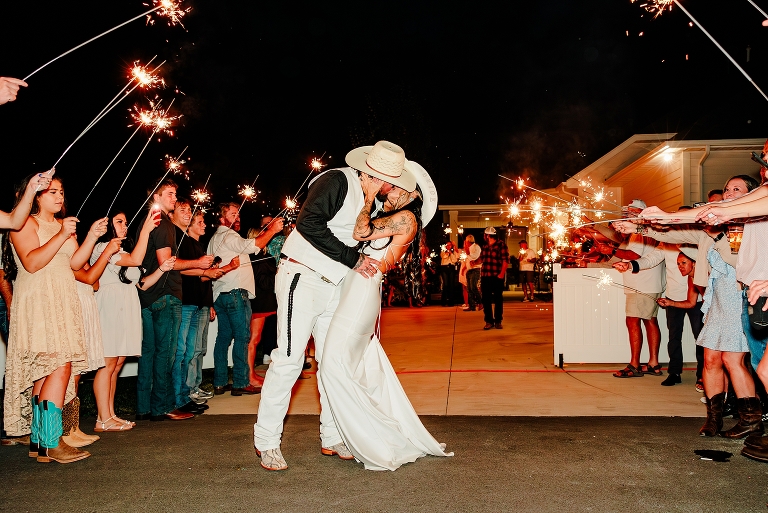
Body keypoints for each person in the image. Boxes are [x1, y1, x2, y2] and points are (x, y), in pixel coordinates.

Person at [253, 140, 404, 471]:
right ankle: (267, 441)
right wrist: (353, 259)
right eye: (392, 183)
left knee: (332, 362)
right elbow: (308, 223)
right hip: (302, 276)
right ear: (377, 175)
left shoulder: (374, 202)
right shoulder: (337, 180)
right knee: (289, 360)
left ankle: (332, 436)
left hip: (335, 285)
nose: (393, 189)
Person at [318, 159, 451, 471]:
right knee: (351, 366)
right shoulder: (395, 216)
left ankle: (366, 436)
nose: (386, 189)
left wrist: (367, 196)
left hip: (362, 291)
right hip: (357, 287)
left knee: (333, 365)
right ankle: (348, 433)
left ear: (410, 193)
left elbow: (360, 231)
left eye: (393, 186)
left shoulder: (406, 218)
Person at [617, 175, 761, 438]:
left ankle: (750, 419)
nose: (729, 193)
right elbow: (676, 233)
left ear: (751, 196)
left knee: (732, 359)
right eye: (727, 189)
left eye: (736, 189)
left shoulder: (755, 226)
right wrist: (639, 227)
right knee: (710, 359)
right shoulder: (712, 227)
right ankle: (714, 418)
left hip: (738, 296)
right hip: (715, 298)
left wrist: (717, 234)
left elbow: (739, 262)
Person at [4, 175, 107, 463]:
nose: (59, 196)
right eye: (52, 192)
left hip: (62, 299)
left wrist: (91, 237)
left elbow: (74, 264)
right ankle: (52, 440)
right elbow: (31, 262)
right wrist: (61, 235)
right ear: (36, 195)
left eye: (61, 191)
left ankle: (40, 441)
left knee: (47, 371)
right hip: (39, 300)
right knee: (60, 366)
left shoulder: (63, 227)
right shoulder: (25, 223)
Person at [135, 178, 213, 422]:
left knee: (150, 353)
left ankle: (144, 407)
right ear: (156, 197)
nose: (174, 198)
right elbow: (166, 262)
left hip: (148, 294)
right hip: (165, 294)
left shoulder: (148, 222)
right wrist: (198, 263)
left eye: (174, 194)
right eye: (169, 194)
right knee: (166, 354)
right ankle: (163, 406)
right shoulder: (164, 224)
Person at [91, 211, 161, 431]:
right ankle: (102, 418)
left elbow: (138, 279)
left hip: (126, 305)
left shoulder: (121, 250)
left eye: (126, 222)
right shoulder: (103, 247)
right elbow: (135, 260)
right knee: (107, 363)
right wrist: (146, 230)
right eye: (119, 222)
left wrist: (162, 268)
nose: (124, 225)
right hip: (110, 306)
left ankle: (110, 414)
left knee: (118, 362)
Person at [207, 203, 283, 396]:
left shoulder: (214, 239)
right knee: (243, 338)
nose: (238, 218)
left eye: (238, 214)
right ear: (222, 218)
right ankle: (240, 382)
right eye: (233, 214)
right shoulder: (229, 235)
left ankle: (220, 382)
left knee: (223, 339)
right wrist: (272, 230)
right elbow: (252, 246)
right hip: (235, 293)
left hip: (220, 294)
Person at [603, 200, 664, 378]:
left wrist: (611, 251)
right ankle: (653, 363)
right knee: (650, 320)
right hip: (648, 283)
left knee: (632, 321)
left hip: (641, 283)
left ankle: (634, 365)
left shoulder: (639, 232)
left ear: (641, 212)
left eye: (631, 212)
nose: (627, 215)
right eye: (626, 212)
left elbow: (633, 255)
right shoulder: (645, 230)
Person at [181, 210, 227, 405]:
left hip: (202, 303)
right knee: (189, 350)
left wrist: (209, 304)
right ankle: (187, 390)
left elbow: (205, 278)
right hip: (189, 302)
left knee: (199, 348)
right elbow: (195, 275)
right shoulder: (185, 245)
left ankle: (195, 386)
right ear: (189, 226)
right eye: (199, 222)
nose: (204, 225)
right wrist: (207, 272)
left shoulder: (200, 246)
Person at [246, 220, 279, 389]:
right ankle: (249, 375)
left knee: (255, 339)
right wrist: (278, 274)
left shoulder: (263, 256)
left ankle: (250, 373)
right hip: (258, 302)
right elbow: (263, 282)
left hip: (265, 302)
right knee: (253, 339)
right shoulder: (256, 258)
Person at [480, 227, 508, 330]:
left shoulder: (501, 245)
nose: (484, 236)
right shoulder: (485, 246)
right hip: (485, 275)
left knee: (498, 299)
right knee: (486, 299)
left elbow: (505, 260)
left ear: (488, 235)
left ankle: (498, 321)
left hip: (496, 275)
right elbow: (482, 259)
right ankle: (489, 321)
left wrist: (501, 274)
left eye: (485, 235)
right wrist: (474, 261)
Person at [462, 234, 482, 311]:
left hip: (475, 269)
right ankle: (472, 306)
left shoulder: (476, 247)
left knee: (473, 287)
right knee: (469, 289)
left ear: (469, 241)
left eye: (466, 241)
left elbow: (474, 257)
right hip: (469, 270)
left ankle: (480, 302)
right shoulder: (468, 249)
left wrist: (467, 253)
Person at [439, 240, 459, 306]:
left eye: (449, 245)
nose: (448, 246)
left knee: (451, 284)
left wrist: (451, 253)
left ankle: (451, 302)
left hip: (451, 267)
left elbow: (455, 260)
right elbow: (443, 256)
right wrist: (447, 253)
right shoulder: (443, 251)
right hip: (444, 267)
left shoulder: (454, 252)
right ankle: (444, 301)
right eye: (447, 245)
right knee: (445, 284)